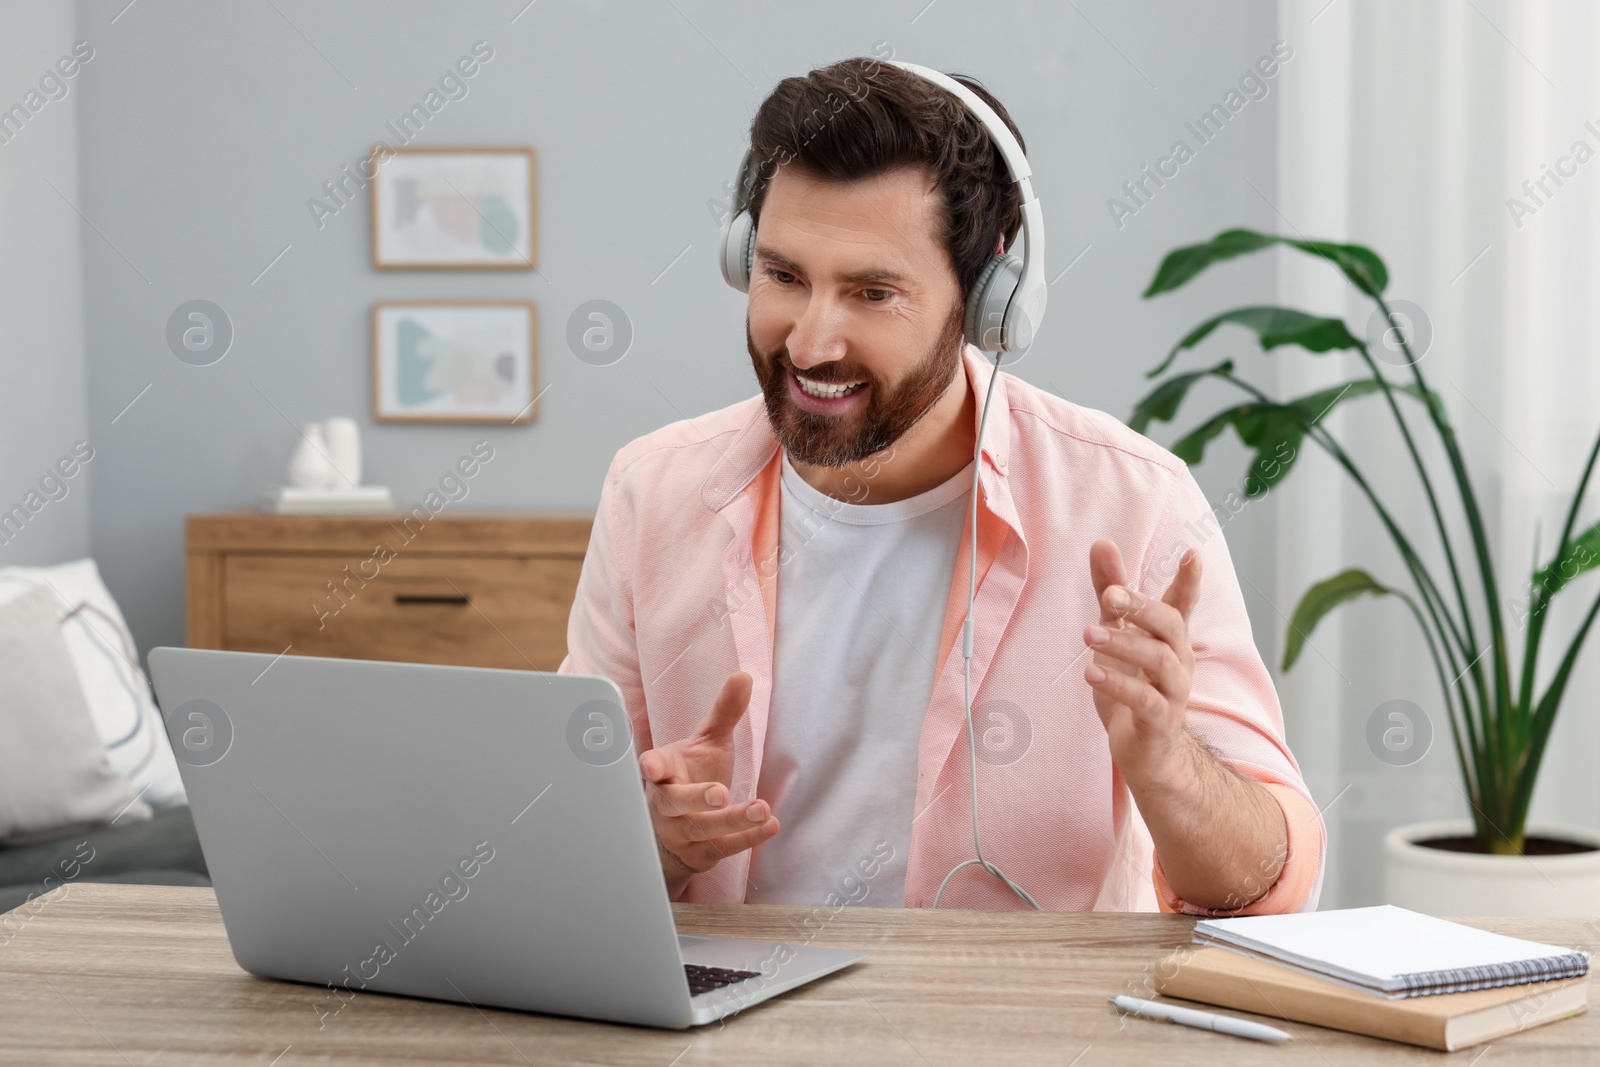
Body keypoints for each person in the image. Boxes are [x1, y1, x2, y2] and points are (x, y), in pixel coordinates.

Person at [557, 56, 1325, 914]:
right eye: (782, 277)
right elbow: (559, 856)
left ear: (989, 296)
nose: (811, 343)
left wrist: (1168, 765)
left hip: (1013, 1032)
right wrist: (653, 845)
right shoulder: (651, 494)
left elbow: (1270, 889)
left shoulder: (1135, 504)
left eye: (873, 292)